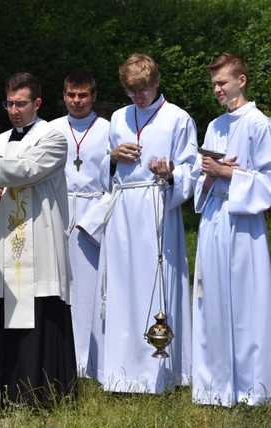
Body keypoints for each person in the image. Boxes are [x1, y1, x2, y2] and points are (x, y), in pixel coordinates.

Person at [0, 72, 76, 408]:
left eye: (21, 103)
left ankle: (40, 394)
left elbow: (26, 169)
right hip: (1, 241)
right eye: (9, 103)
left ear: (37, 102)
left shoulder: (54, 136)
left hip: (39, 236)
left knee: (38, 309)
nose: (14, 110)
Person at [79, 53, 197, 393]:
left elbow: (192, 167)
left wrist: (170, 171)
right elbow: (98, 168)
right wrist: (114, 158)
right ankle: (120, 372)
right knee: (121, 285)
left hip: (157, 204)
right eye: (132, 92)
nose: (138, 97)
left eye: (143, 90)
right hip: (123, 208)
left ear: (156, 83)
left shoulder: (178, 118)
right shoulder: (118, 117)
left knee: (155, 284)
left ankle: (159, 372)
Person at [191, 52, 271, 406]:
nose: (216, 89)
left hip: (244, 223)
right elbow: (206, 173)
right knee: (211, 299)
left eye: (222, 83)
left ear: (241, 81)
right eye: (214, 84)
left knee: (246, 303)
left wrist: (229, 173)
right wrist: (208, 172)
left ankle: (253, 389)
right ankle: (215, 388)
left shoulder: (260, 124)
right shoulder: (215, 125)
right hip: (214, 219)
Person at [50, 70, 110, 377]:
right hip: (59, 210)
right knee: (61, 288)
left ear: (93, 96)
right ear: (64, 96)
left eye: (83, 95)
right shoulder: (52, 129)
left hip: (93, 211)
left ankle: (91, 361)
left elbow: (116, 184)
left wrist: (94, 221)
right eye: (71, 95)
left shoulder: (108, 130)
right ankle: (63, 359)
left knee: (90, 290)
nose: (77, 101)